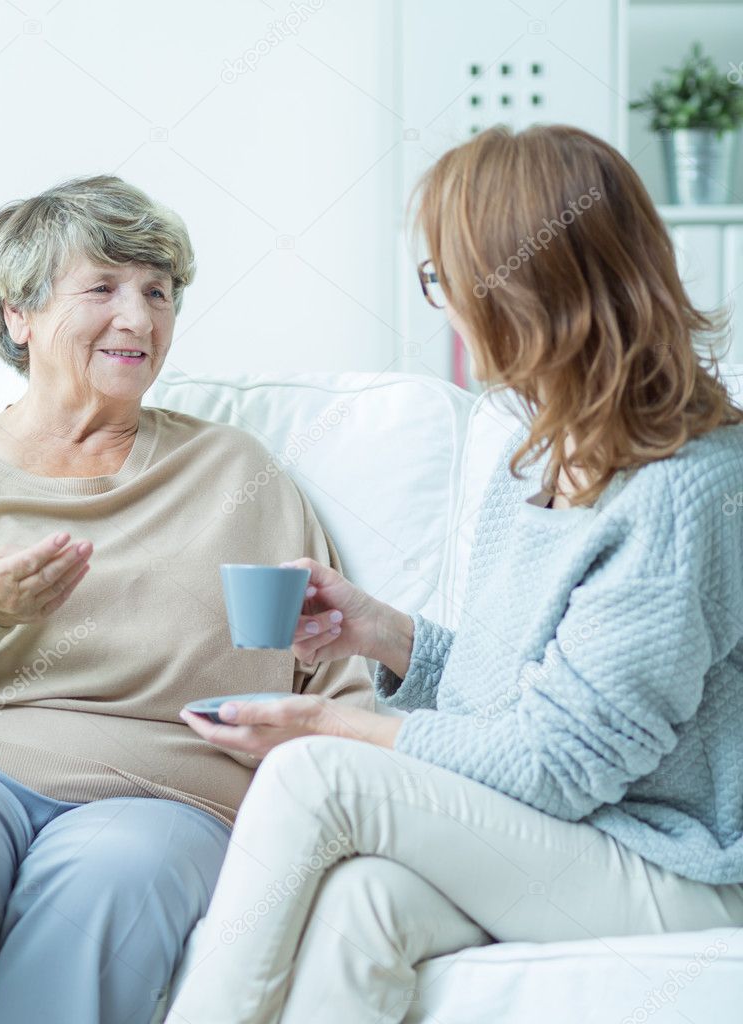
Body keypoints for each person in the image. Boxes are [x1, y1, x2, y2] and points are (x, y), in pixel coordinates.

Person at [164, 124, 743, 1024]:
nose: (444, 308)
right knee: (365, 905)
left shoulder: (683, 489)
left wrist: (329, 722)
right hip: (581, 834)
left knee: (313, 774)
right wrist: (384, 633)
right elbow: (523, 698)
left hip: (679, 862)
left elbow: (561, 763)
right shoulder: (542, 453)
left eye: (446, 277)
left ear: (527, 286)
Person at [0, 175, 373, 1024]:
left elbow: (332, 678)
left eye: (158, 292)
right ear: (17, 316)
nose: (139, 317)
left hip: (164, 797)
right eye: (101, 288)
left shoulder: (236, 475)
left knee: (115, 879)